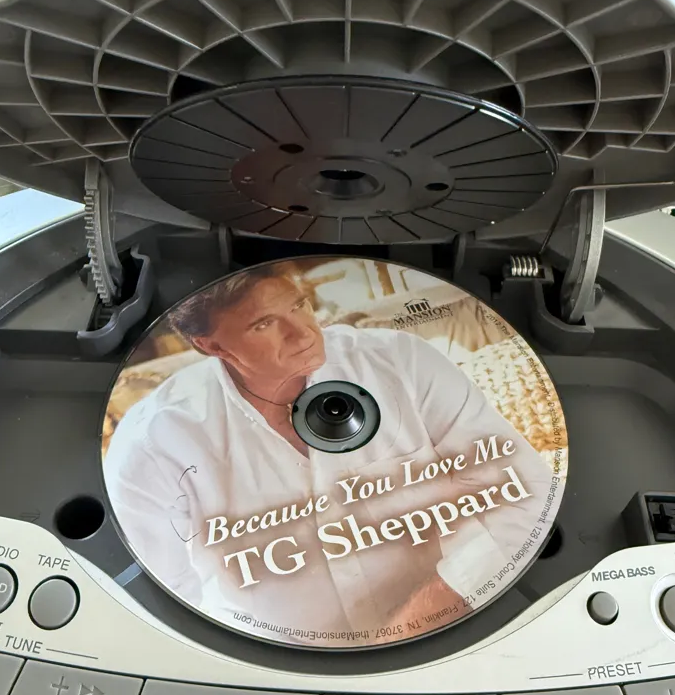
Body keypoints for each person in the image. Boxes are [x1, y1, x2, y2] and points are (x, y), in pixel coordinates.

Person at [103, 264, 554, 646]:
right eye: (264, 324)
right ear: (212, 346)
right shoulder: (153, 442)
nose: (303, 333)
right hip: (269, 668)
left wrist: (418, 620)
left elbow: (526, 494)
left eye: (299, 305)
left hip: (456, 627)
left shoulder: (402, 362)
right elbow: (155, 599)